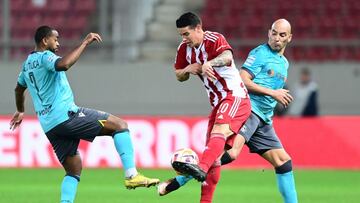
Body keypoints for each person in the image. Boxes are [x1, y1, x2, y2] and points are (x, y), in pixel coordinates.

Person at [9, 25, 159, 203]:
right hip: (66, 115)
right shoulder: (46, 57)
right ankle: (131, 175)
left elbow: (18, 89)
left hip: (50, 126)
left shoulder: (26, 65)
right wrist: (85, 43)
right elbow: (63, 64)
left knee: (73, 170)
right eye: (55, 39)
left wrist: (20, 110)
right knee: (120, 126)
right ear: (44, 40)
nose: (58, 43)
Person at [159, 19, 298, 203]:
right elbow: (244, 80)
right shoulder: (260, 54)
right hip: (250, 111)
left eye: (282, 35)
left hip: (264, 119)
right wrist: (273, 93)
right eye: (274, 33)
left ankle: (183, 178)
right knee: (230, 153)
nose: (277, 39)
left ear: (289, 38)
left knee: (283, 162)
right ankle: (180, 180)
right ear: (268, 33)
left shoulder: (284, 63)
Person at [167, 12, 251, 203]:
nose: (184, 38)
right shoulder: (184, 49)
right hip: (217, 104)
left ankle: (200, 169)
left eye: (186, 34)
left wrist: (209, 64)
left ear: (198, 28)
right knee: (212, 154)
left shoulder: (214, 39)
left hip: (234, 96)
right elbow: (178, 74)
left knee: (215, 141)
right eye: (181, 35)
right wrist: (188, 69)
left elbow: (228, 56)